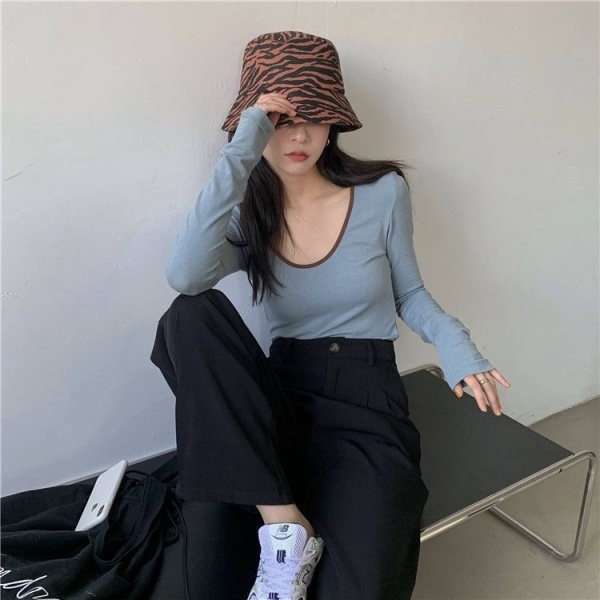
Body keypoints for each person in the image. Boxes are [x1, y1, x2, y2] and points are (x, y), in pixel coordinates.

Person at [151, 31, 510, 600]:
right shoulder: (250, 213)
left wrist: (458, 347)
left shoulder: (382, 192)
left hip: (366, 397)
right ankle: (283, 523)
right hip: (281, 390)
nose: (299, 135)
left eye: (314, 118)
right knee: (188, 316)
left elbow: (410, 294)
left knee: (361, 586)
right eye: (281, 120)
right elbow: (185, 275)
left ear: (334, 122)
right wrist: (243, 147)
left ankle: (287, 529)